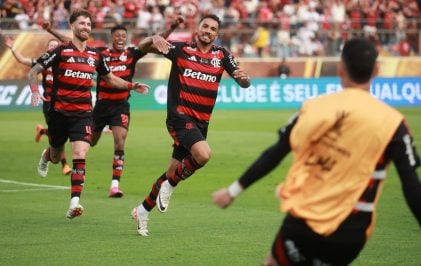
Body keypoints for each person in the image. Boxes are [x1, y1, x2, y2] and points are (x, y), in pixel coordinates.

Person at [212, 38, 421, 265]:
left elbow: (275, 153)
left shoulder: (314, 107)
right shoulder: (395, 123)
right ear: (376, 71)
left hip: (305, 222)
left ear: (340, 70)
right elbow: (411, 183)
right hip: (352, 234)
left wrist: (232, 191)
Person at [131, 14, 251, 237]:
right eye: (205, 26)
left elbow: (243, 81)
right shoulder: (180, 49)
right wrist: (154, 37)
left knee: (171, 171)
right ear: (198, 28)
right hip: (179, 117)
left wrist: (244, 79)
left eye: (213, 28)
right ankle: (170, 186)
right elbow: (141, 47)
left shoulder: (222, 55)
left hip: (201, 124)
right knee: (203, 155)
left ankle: (142, 210)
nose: (208, 31)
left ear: (216, 34)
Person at [27, 9, 149, 219]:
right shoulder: (60, 51)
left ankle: (74, 203)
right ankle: (46, 156)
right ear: (72, 26)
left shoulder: (95, 55)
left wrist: (131, 85)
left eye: (89, 24)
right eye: (82, 23)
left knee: (80, 154)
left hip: (83, 113)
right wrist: (36, 91)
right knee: (56, 156)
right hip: (58, 113)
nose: (86, 27)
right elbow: (33, 71)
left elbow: (110, 78)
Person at [3, 34, 72, 175]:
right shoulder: (43, 64)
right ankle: (64, 164)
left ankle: (43, 133)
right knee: (59, 137)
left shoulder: (67, 63)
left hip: (66, 104)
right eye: (50, 46)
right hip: (49, 105)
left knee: (65, 133)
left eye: (56, 46)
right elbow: (22, 60)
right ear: (47, 50)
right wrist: (13, 48)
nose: (53, 48)